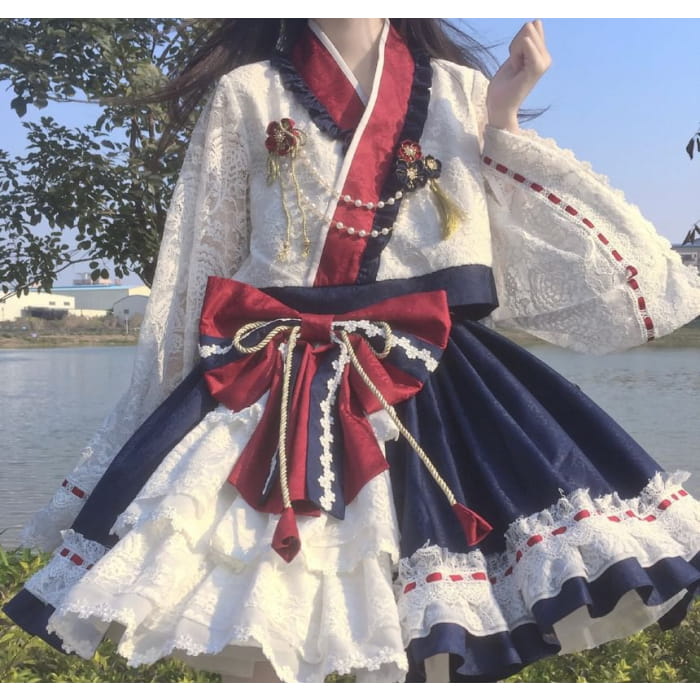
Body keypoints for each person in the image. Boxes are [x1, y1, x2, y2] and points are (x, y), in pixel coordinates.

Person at [4, 18, 700, 683]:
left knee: (433, 632)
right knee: (256, 620)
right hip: (272, 385)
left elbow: (558, 265)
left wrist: (504, 119)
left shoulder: (462, 90)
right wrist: (160, 412)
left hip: (431, 379)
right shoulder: (247, 91)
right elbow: (197, 265)